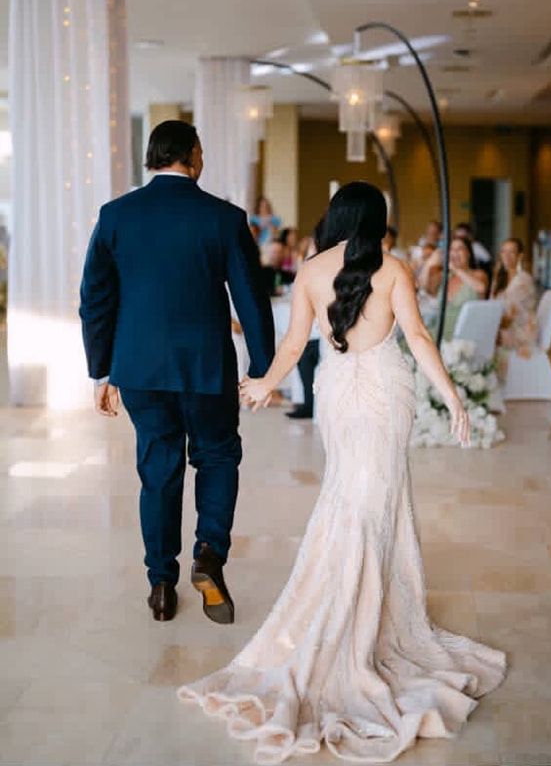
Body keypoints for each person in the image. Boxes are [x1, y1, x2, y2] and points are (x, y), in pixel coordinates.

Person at [178, 182, 507, 762]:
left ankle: (356, 606)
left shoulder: (310, 270)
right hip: (384, 393)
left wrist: (263, 383)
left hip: (338, 393)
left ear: (335, 216)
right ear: (377, 219)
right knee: (370, 502)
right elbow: (420, 338)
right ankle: (355, 617)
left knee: (351, 499)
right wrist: (451, 398)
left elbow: (291, 345)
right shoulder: (395, 268)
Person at [79, 120, 275, 625]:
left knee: (158, 470)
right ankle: (208, 553)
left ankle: (161, 584)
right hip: (207, 366)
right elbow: (250, 298)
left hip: (140, 370)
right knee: (217, 456)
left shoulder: (116, 216)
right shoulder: (224, 218)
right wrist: (262, 368)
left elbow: (95, 300)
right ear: (192, 155)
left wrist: (101, 371)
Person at [286, 218, 324, 420]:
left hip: (320, 334)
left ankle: (309, 404)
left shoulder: (316, 265)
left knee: (304, 354)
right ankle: (307, 402)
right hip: (316, 331)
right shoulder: (313, 263)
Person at [424, 236, 488, 341]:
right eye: (452, 249)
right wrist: (429, 263)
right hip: (440, 331)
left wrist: (456, 269)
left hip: (464, 335)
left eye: (459, 249)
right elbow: (426, 288)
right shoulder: (446, 276)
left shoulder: (479, 274)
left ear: (468, 253)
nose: (455, 253)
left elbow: (481, 288)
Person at [491, 238, 538, 379]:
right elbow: (491, 305)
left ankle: (489, 379)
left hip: (520, 330)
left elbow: (510, 317)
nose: (506, 256)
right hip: (504, 325)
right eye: (504, 251)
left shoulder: (523, 280)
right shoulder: (500, 278)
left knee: (485, 336)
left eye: (511, 252)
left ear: (520, 256)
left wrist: (491, 326)